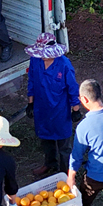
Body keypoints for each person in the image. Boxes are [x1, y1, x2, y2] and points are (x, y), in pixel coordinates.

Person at [25, 32, 83, 176]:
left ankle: (65, 173)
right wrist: (30, 103)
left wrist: (75, 109)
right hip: (41, 108)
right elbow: (31, 81)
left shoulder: (64, 64)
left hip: (60, 110)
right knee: (45, 139)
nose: (43, 56)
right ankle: (49, 164)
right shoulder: (35, 60)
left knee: (64, 145)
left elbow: (72, 88)